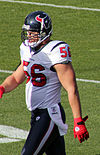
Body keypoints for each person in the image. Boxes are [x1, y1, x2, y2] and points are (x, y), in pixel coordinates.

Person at [0, 11, 89, 155]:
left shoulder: (55, 51)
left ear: (44, 31)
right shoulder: (27, 50)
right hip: (36, 114)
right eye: (28, 32)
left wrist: (78, 121)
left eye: (33, 32)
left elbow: (71, 88)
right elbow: (16, 78)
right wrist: (2, 87)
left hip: (49, 114)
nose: (29, 35)